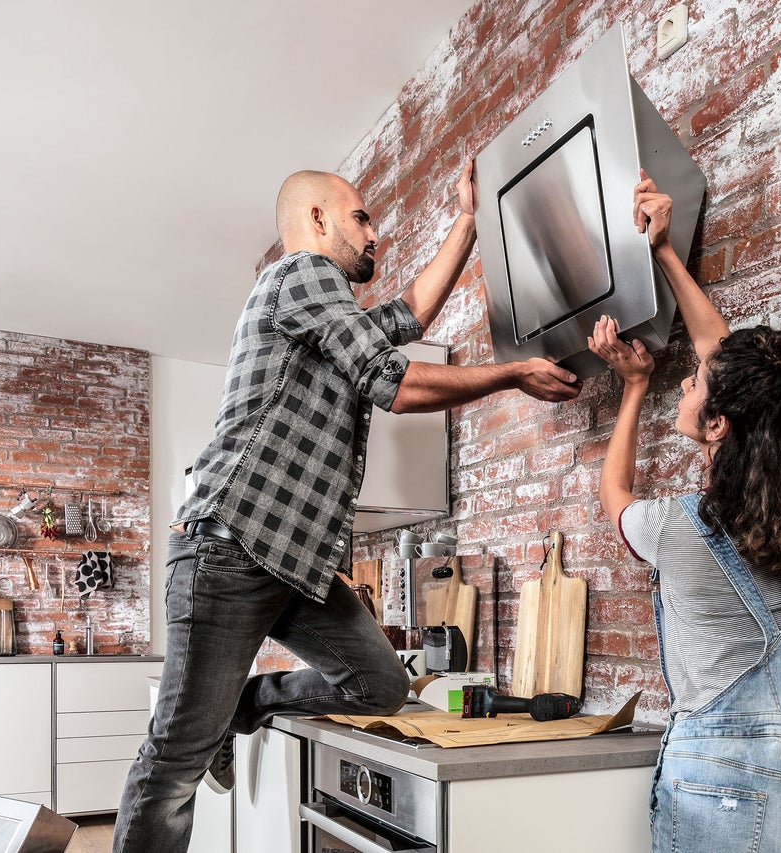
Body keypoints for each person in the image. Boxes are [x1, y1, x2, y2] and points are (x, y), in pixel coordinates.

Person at [113, 159, 581, 853]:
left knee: (380, 682)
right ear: (316, 220)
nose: (374, 233)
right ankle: (214, 724)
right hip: (231, 547)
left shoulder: (329, 314)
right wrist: (510, 373)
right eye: (361, 217)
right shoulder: (301, 275)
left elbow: (412, 313)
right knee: (175, 761)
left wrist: (468, 220)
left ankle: (246, 703)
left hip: (289, 561)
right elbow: (389, 380)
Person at [586, 174, 781, 852]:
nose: (689, 377)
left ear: (718, 426)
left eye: (694, 384)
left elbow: (613, 494)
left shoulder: (677, 527)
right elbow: (741, 373)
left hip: (714, 793)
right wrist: (667, 253)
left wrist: (635, 385)